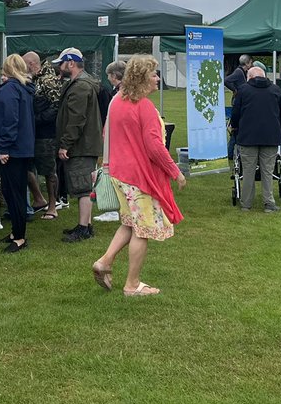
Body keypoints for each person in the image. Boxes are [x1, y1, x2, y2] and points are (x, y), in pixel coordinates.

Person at [91, 56, 186, 296]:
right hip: (138, 177)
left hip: (120, 174)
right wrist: (175, 172)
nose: (158, 79)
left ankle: (104, 262)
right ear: (144, 78)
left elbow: (107, 134)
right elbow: (155, 147)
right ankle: (132, 284)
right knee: (142, 230)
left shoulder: (118, 101)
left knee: (129, 223)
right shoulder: (144, 106)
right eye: (154, 74)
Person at [0, 55, 35, 252]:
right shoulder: (24, 89)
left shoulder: (9, 91)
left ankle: (20, 237)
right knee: (13, 191)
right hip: (21, 147)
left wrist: (3, 147)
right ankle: (16, 231)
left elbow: (10, 119)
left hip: (12, 150)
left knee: (14, 193)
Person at [54, 47, 104, 243]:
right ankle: (86, 225)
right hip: (84, 144)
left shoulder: (80, 87)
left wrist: (65, 144)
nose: (60, 67)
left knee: (83, 187)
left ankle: (84, 228)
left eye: (62, 63)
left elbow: (76, 119)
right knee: (83, 184)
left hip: (82, 146)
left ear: (71, 63)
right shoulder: (81, 84)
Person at [229, 66, 281, 211]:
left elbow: (235, 114)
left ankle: (246, 204)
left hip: (247, 137)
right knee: (268, 171)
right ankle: (269, 203)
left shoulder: (243, 91)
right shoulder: (276, 90)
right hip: (271, 136)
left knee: (248, 171)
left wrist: (236, 127)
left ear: (249, 77)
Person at [23, 52, 61, 220]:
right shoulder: (32, 79)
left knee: (48, 170)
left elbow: (56, 107)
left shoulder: (49, 80)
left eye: (24, 65)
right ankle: (39, 199)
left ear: (32, 64)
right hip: (32, 132)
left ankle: (53, 206)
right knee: (26, 166)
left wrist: (35, 119)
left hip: (46, 133)